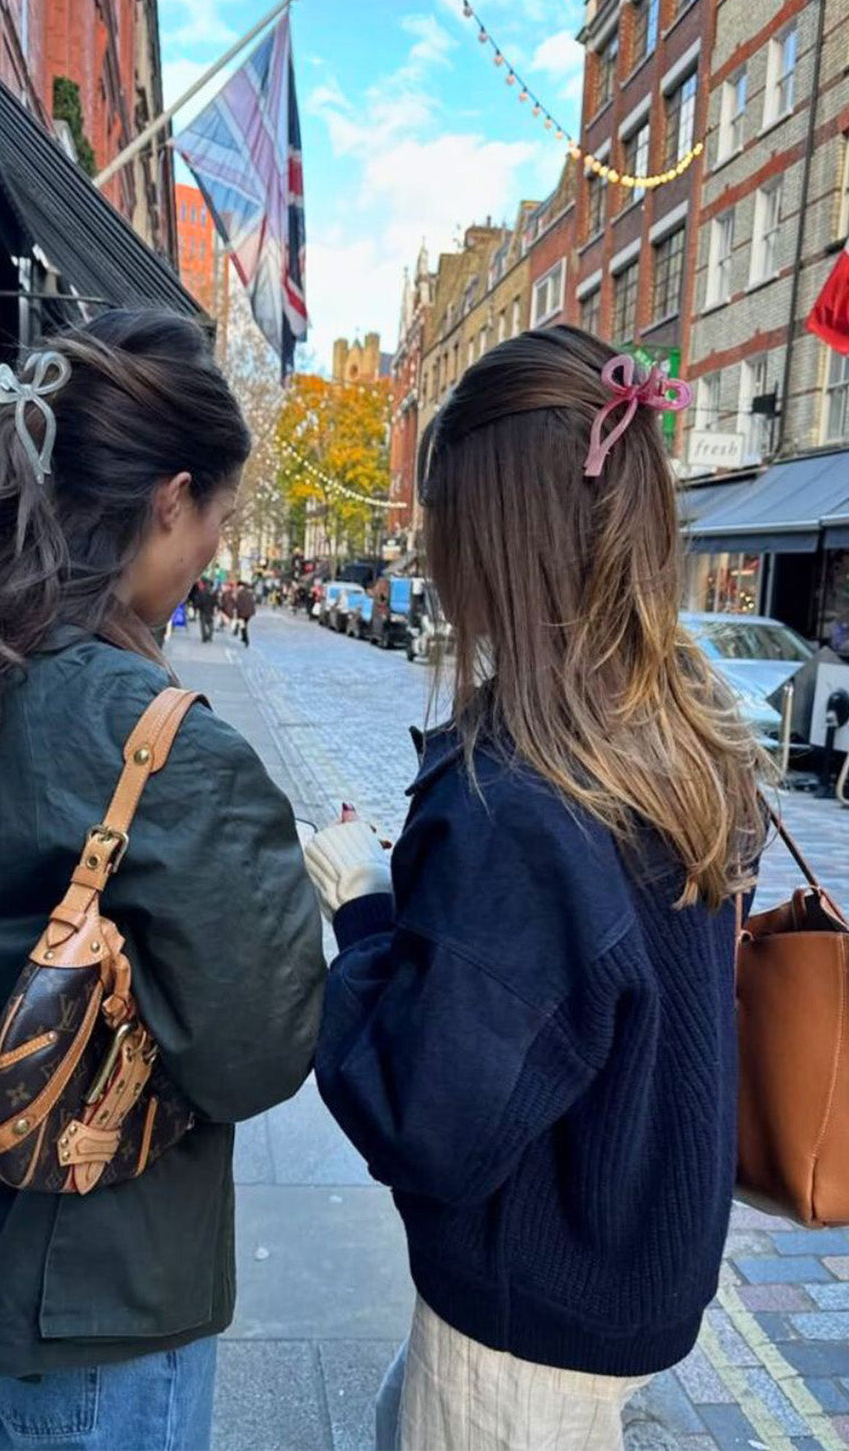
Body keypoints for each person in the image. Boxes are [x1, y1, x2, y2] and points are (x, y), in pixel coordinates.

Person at [0, 310, 325, 1451]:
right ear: (169, 500)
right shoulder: (171, 749)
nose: (216, 548)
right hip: (99, 1301)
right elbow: (259, 1052)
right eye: (218, 518)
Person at [304, 327, 766, 1451]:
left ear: (486, 535)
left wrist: (364, 905)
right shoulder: (683, 735)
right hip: (626, 1278)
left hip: (524, 1329)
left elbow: (428, 1119)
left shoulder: (523, 798)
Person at [194, 576, 217, 643]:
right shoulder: (212, 592)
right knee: (210, 624)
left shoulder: (201, 592)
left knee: (203, 625)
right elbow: (215, 601)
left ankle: (204, 637)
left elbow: (199, 601)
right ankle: (210, 635)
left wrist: (196, 607)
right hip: (210, 610)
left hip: (203, 610)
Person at [235, 580, 256, 648]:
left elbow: (238, 604)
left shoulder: (240, 593)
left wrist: (237, 613)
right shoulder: (249, 593)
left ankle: (246, 639)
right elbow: (252, 603)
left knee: (243, 625)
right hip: (249, 612)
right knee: (244, 625)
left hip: (243, 612)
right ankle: (243, 637)